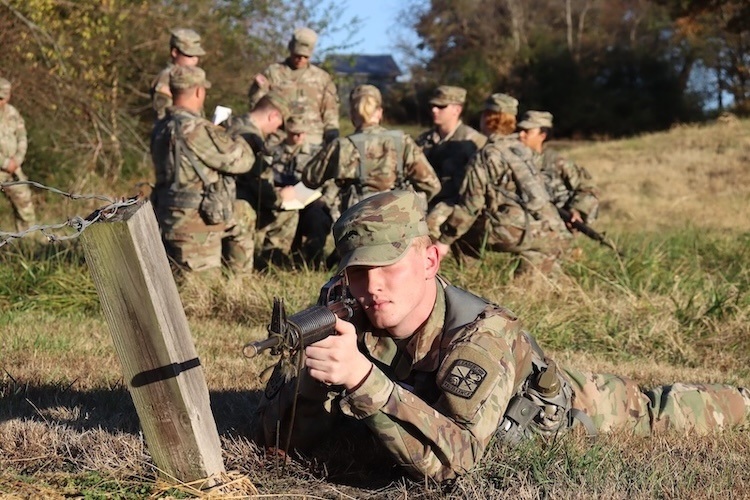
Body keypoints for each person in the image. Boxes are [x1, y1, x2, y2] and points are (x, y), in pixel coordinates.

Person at [255, 190, 750, 482]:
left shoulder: (479, 338)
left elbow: (459, 462)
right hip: (442, 397)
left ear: (430, 261)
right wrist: (317, 375)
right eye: (358, 271)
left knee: (668, 409)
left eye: (388, 266)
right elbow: (274, 439)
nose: (372, 286)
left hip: (567, 412)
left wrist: (364, 380)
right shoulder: (347, 303)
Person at [432, 93, 570, 276]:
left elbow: (471, 206)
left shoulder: (486, 154)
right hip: (547, 230)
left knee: (456, 224)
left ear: (488, 118)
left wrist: (444, 240)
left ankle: (468, 274)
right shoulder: (521, 149)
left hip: (516, 231)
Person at [150, 66, 256, 274]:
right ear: (199, 91)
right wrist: (235, 137)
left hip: (166, 215)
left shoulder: (160, 127)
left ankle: (238, 284)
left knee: (243, 213)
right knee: (201, 295)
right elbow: (242, 161)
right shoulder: (196, 129)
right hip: (197, 222)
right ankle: (239, 283)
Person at [302, 84, 441, 214]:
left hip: (356, 229)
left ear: (352, 114)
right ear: (379, 112)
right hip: (398, 228)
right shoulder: (402, 143)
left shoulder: (341, 146)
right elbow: (432, 185)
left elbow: (309, 178)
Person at [226, 91, 298, 269]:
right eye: (278, 124)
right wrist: (281, 197)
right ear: (273, 115)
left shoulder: (229, 124)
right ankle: (271, 265)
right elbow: (259, 183)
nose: (276, 130)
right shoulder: (253, 139)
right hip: (239, 207)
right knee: (289, 212)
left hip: (219, 201)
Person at [247, 27, 339, 146]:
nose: (300, 59)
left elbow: (330, 112)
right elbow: (257, 106)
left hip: (312, 140)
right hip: (278, 139)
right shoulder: (273, 73)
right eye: (297, 55)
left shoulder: (322, 78)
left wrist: (332, 137)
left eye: (305, 57)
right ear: (291, 49)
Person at [517, 110, 600, 226]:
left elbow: (588, 188)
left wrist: (577, 211)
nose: (521, 135)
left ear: (542, 135)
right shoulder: (513, 160)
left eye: (527, 131)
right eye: (519, 130)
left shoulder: (557, 162)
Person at [416, 85, 486, 211]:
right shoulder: (423, 140)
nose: (434, 110)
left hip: (454, 210)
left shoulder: (474, 141)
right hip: (423, 207)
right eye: (433, 106)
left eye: (441, 106)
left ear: (457, 110)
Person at [0, 77, 38, 232]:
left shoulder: (12, 113)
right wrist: (4, 163)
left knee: (25, 205)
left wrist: (17, 160)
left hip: (13, 170)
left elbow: (22, 137)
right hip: (4, 165)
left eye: (2, 98)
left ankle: (28, 244)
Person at [151, 28, 205, 121]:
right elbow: (163, 118)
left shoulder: (193, 77)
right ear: (175, 52)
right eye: (190, 55)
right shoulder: (166, 79)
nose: (195, 59)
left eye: (197, 55)